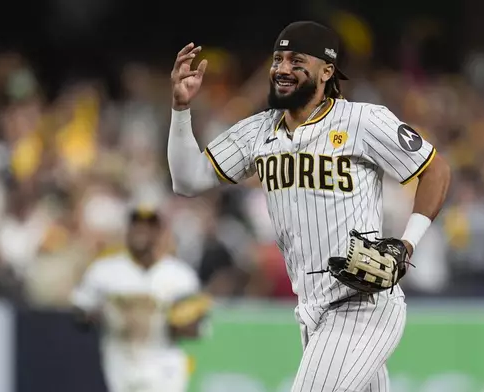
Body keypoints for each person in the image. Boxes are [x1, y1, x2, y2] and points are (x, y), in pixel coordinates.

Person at [167, 21, 451, 392]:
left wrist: (406, 244)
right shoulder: (258, 131)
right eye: (278, 59)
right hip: (312, 310)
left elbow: (435, 169)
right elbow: (188, 180)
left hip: (362, 303)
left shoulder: (362, 120)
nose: (282, 68)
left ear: (327, 71)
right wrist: (180, 108)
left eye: (296, 60)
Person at [71, 206, 211, 392]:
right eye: (136, 226)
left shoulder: (180, 276)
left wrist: (177, 322)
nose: (141, 232)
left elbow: (198, 329)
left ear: (159, 232)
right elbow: (80, 311)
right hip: (118, 360)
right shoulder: (105, 271)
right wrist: (105, 314)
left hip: (164, 363)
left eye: (148, 227)